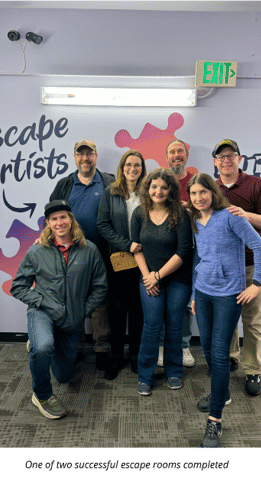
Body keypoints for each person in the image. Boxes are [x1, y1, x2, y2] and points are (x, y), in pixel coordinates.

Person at [186, 173, 261, 448]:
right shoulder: (196, 220)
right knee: (208, 348)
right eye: (193, 194)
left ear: (213, 192)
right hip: (205, 292)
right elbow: (199, 257)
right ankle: (220, 392)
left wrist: (256, 283)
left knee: (220, 353)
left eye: (203, 192)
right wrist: (196, 293)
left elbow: (259, 247)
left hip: (228, 295)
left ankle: (215, 421)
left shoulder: (231, 216)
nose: (198, 198)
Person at [11, 200, 107, 419]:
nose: (59, 222)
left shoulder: (89, 250)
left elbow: (101, 287)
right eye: (54, 219)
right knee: (43, 348)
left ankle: (42, 341)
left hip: (71, 320)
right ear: (48, 224)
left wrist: (83, 309)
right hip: (42, 312)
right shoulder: (37, 251)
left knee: (64, 376)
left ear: (71, 220)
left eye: (63, 217)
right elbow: (18, 287)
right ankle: (42, 395)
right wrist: (41, 300)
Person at [213, 139, 261, 396]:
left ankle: (253, 370)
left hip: (253, 265)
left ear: (239, 159)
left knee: (251, 320)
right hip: (225, 267)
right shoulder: (211, 188)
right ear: (215, 162)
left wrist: (245, 214)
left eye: (231, 155)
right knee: (226, 318)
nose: (226, 160)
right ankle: (230, 356)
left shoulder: (256, 185)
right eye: (221, 156)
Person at [50, 140, 115, 371]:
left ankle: (101, 349)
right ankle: (74, 348)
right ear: (75, 157)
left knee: (99, 301)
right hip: (70, 253)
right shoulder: (65, 184)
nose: (85, 158)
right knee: (72, 300)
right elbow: (52, 215)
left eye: (89, 154)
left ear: (96, 156)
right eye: (81, 154)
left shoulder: (109, 182)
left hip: (102, 254)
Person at [131, 168, 193, 396]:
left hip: (177, 278)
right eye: (154, 186)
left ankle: (174, 371)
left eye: (164, 187)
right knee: (152, 324)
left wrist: (158, 275)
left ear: (171, 190)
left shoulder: (180, 214)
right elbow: (136, 247)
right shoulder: (139, 213)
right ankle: (145, 375)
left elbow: (184, 251)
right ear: (147, 189)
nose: (158, 191)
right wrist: (149, 277)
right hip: (148, 277)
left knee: (175, 324)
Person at [96, 150, 147, 379]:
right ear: (122, 167)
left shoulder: (148, 192)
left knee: (138, 310)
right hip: (118, 259)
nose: (132, 169)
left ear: (142, 168)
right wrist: (127, 244)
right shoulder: (111, 192)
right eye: (129, 165)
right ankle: (116, 356)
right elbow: (103, 225)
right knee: (116, 309)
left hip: (143, 260)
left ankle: (135, 356)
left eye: (137, 165)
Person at [158, 139, 197, 368]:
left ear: (186, 155)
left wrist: (187, 207)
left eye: (180, 151)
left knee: (183, 302)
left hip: (190, 249)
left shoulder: (196, 181)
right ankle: (163, 346)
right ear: (167, 156)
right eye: (172, 151)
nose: (176, 155)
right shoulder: (160, 181)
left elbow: (207, 209)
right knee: (161, 300)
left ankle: (183, 346)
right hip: (163, 250)